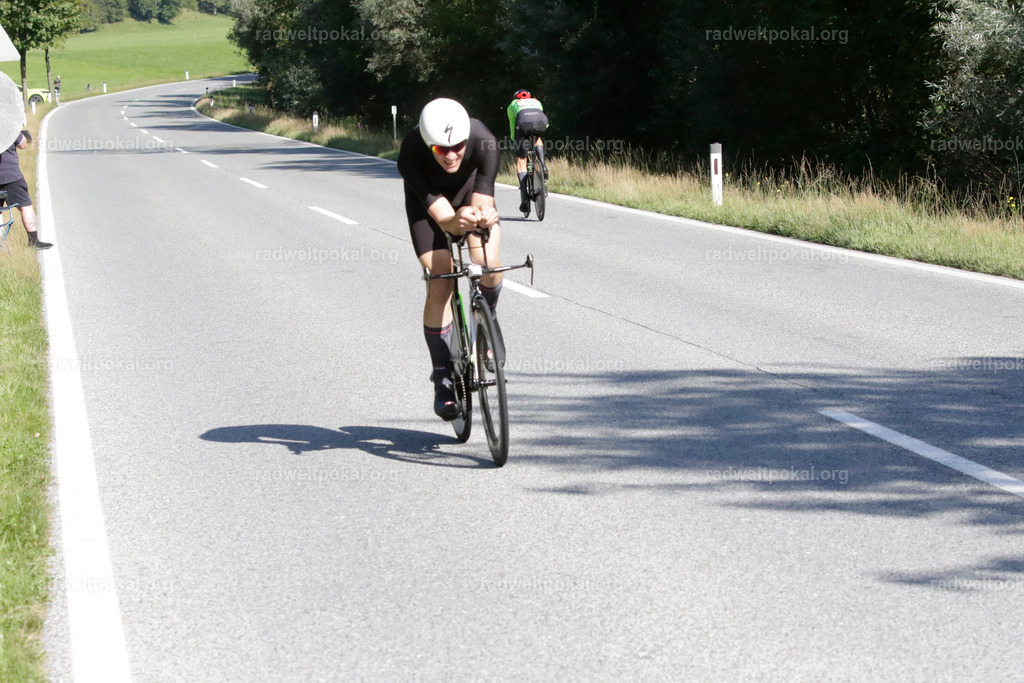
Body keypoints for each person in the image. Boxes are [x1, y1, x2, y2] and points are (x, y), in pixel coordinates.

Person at [397, 97, 503, 420]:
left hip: (470, 193)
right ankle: (442, 376)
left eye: (457, 145)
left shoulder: (484, 141)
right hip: (428, 207)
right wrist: (454, 221)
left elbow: (483, 205)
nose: (453, 154)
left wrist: (481, 219)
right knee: (440, 278)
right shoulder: (411, 154)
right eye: (443, 149)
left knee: (486, 259)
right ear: (429, 144)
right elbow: (444, 221)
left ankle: (488, 319)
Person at [0, 130, 51, 250]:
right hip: (11, 177)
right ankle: (34, 241)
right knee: (25, 206)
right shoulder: (7, 127)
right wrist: (19, 132)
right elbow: (23, 144)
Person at [506, 89, 548, 213]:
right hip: (541, 122)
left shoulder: (513, 105)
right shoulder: (537, 102)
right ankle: (543, 166)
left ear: (516, 98)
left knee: (521, 159)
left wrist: (516, 141)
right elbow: (539, 118)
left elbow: (513, 125)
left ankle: (525, 197)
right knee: (538, 138)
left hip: (523, 124)